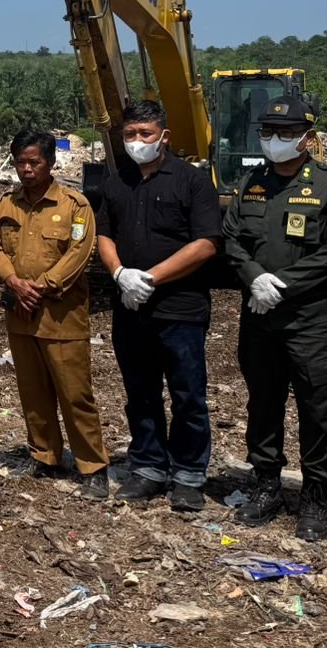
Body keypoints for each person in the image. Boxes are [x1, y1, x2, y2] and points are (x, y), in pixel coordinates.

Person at [221, 96, 327, 540]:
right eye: (267, 131)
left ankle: (316, 496)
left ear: (307, 138)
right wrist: (254, 277)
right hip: (260, 318)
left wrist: (278, 284)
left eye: (285, 132)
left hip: (312, 320)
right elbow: (231, 238)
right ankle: (266, 485)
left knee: (317, 409)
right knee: (263, 403)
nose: (274, 139)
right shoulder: (251, 183)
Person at [95, 99, 222, 512]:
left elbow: (205, 243)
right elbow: (104, 234)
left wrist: (150, 278)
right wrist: (119, 274)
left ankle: (188, 473)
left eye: (144, 134)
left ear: (163, 136)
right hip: (130, 308)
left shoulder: (192, 181)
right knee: (140, 392)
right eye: (129, 134)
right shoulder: (117, 182)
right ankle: (148, 465)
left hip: (180, 309)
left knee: (188, 395)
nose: (137, 141)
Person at [0, 128, 108, 498]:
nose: (26, 169)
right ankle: (45, 455)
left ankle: (92, 465)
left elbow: (80, 252)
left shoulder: (74, 205)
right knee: (33, 391)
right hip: (21, 315)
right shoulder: (7, 204)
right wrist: (13, 281)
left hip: (61, 316)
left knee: (74, 394)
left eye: (34, 162)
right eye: (20, 162)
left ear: (51, 162)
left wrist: (40, 286)